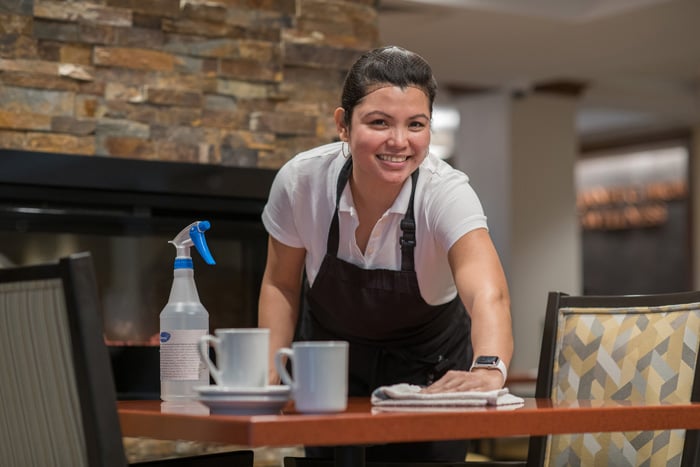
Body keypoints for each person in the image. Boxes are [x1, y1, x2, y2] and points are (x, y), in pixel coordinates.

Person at [258, 45, 513, 462]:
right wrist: (271, 371)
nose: (399, 142)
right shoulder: (301, 182)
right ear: (343, 124)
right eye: (379, 122)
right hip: (329, 373)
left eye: (416, 124)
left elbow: (489, 295)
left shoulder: (446, 193)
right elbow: (280, 284)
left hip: (429, 378)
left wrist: (488, 368)